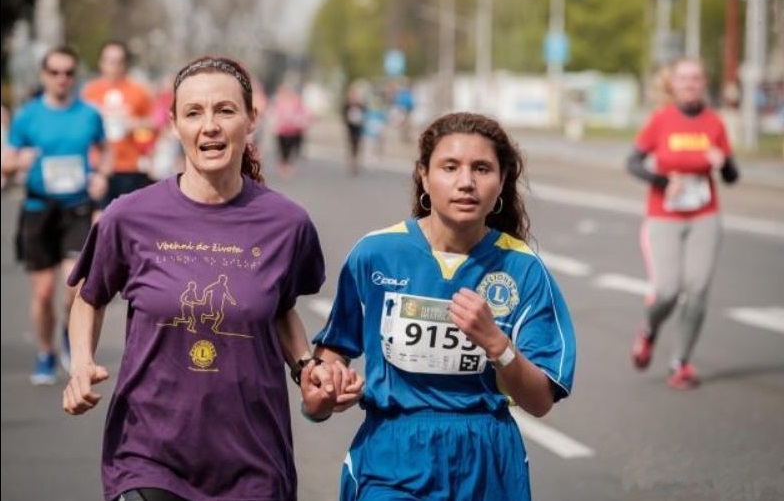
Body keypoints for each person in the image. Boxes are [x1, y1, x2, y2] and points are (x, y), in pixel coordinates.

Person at [62, 56, 363, 501]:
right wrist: (82, 363)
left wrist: (306, 369)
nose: (210, 126)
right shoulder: (130, 217)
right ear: (174, 124)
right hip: (147, 455)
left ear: (251, 120)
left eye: (225, 110)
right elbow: (90, 296)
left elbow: (279, 309)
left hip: (253, 461)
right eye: (194, 113)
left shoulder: (286, 223)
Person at [311, 111, 577, 501]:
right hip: (392, 455)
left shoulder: (522, 269)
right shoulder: (376, 254)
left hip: (487, 457)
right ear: (424, 174)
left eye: (482, 168)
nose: (466, 182)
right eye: (449, 167)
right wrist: (324, 392)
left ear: (501, 180)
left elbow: (539, 402)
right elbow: (332, 354)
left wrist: (497, 345)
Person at [627, 57, 740, 390]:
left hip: (705, 215)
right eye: (684, 79)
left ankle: (681, 363)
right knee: (667, 291)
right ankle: (649, 330)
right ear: (673, 84)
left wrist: (723, 164)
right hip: (665, 215)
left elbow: (732, 176)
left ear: (704, 83)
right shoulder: (661, 120)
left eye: (696, 78)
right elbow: (632, 162)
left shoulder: (714, 123)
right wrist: (663, 182)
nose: (690, 84)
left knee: (698, 290)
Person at [1, 45, 109, 385]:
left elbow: (106, 153)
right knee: (44, 292)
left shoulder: (89, 115)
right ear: (44, 76)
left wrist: (102, 177)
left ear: (75, 76)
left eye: (68, 73)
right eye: (55, 73)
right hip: (38, 208)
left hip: (76, 208)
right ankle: (45, 352)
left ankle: (68, 332)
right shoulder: (27, 116)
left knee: (73, 286)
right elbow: (6, 161)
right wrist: (20, 162)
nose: (62, 79)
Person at [81, 40, 155, 212]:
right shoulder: (89, 92)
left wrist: (136, 124)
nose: (115, 66)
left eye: (119, 61)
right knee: (99, 219)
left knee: (129, 218)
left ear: (126, 64)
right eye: (110, 60)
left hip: (129, 166)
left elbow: (153, 123)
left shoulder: (138, 91)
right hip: (97, 165)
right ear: (101, 63)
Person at [342, 82, 366, 175]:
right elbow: (344, 115)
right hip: (351, 128)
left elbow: (364, 113)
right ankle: (352, 161)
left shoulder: (360, 105)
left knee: (357, 144)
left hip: (358, 127)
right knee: (351, 144)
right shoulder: (348, 105)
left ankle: (355, 161)